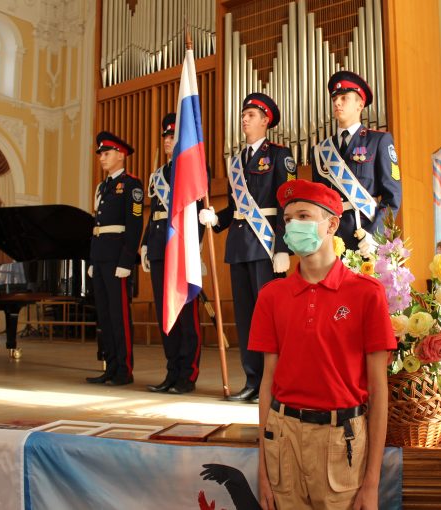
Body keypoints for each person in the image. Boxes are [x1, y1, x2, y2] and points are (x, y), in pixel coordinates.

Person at [249, 179, 396, 509]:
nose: (293, 226)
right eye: (287, 220)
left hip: (340, 440)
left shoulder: (367, 294)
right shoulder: (271, 296)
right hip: (282, 439)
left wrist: (372, 482)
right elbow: (267, 383)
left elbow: (378, 390)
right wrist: (263, 470)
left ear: (331, 224)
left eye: (303, 216)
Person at [199, 93, 296, 403]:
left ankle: (276, 383)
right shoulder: (236, 162)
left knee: (271, 318)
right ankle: (252, 381)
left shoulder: (281, 156)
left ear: (266, 121)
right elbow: (234, 207)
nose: (244, 119)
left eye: (251, 115)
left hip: (267, 245)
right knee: (246, 319)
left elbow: (287, 204)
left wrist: (284, 246)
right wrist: (216, 219)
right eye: (243, 114)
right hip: (240, 245)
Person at [140, 113, 203, 395]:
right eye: (165, 137)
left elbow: (198, 214)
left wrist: (194, 248)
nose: (168, 141)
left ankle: (187, 375)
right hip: (158, 248)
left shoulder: (193, 167)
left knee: (186, 316)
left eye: (173, 136)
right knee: (165, 314)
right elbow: (154, 212)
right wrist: (144, 244)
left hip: (181, 249)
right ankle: (171, 371)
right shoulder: (158, 175)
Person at [311, 70, 402, 255]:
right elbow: (317, 203)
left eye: (344, 98)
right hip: (331, 240)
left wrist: (375, 235)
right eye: (335, 98)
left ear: (360, 104)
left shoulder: (378, 141)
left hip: (365, 237)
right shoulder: (320, 151)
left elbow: (392, 198)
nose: (337, 102)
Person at [86, 131, 144, 386]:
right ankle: (110, 366)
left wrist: (126, 260)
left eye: (106, 153)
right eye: (100, 153)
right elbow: (96, 226)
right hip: (100, 257)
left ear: (121, 155)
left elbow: (134, 225)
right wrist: (91, 260)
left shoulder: (132, 185)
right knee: (105, 316)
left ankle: (124, 369)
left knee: (119, 316)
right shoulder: (103, 187)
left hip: (117, 258)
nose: (101, 158)